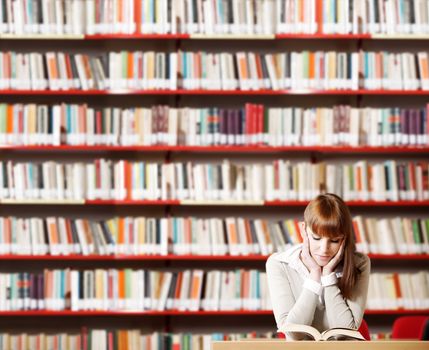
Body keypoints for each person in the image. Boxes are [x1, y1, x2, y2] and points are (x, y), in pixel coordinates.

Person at [266, 193, 370, 340]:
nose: (324, 249)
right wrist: (314, 277)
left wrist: (328, 277)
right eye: (316, 238)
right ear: (303, 230)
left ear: (345, 238)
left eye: (334, 240)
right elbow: (293, 334)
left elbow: (344, 333)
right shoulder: (279, 264)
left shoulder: (360, 264)